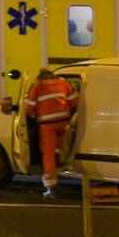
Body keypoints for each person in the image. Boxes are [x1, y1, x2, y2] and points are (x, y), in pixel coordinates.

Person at [23, 68, 79, 198]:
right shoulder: (63, 82)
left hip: (47, 125)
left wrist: (33, 112)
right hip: (64, 121)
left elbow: (29, 108)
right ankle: (63, 163)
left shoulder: (38, 85)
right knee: (62, 147)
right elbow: (75, 101)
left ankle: (51, 185)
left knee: (48, 154)